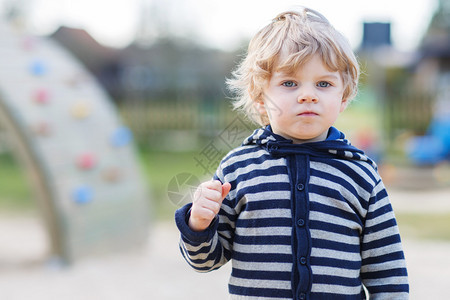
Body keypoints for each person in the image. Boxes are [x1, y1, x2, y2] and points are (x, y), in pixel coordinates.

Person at [175, 7, 409, 299]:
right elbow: (205, 260)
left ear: (344, 96)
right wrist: (198, 223)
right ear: (260, 98)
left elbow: (387, 272)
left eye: (324, 84)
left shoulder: (361, 174)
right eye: (289, 83)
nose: (308, 94)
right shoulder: (237, 169)